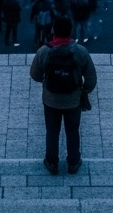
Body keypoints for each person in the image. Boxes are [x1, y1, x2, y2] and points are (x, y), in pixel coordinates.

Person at [29, 17, 97, 175]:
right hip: (73, 101)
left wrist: (47, 81)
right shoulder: (81, 51)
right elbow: (91, 79)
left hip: (51, 100)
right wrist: (83, 90)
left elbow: (35, 75)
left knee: (52, 131)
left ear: (53, 31)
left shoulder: (44, 51)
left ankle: (52, 162)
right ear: (70, 31)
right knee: (72, 131)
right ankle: (73, 162)